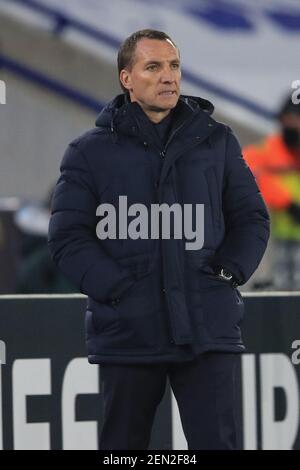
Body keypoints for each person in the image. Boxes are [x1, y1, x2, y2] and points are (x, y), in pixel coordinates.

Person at [48, 29, 270, 450]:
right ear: (126, 79)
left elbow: (251, 217)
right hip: (128, 332)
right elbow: (67, 237)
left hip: (207, 328)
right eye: (153, 66)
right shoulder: (88, 152)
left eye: (174, 66)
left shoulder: (217, 141)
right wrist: (118, 291)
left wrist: (227, 272)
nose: (168, 76)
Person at [243, 96, 300, 289]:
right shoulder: (266, 151)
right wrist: (286, 203)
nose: (296, 125)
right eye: (292, 118)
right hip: (273, 243)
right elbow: (248, 173)